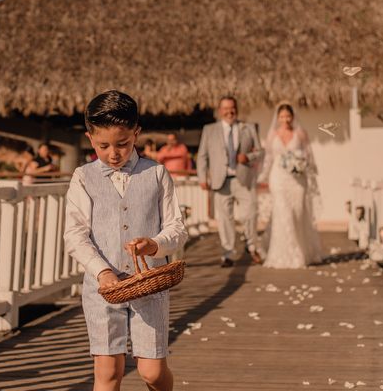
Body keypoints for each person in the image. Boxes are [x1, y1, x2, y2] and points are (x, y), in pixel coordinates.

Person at [64, 90, 187, 391]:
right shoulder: (82, 177)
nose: (113, 153)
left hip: (149, 287)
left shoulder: (157, 173)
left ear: (136, 132)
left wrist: (155, 244)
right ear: (90, 137)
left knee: (152, 373)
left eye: (122, 144)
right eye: (103, 146)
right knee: (107, 375)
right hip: (102, 290)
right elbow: (75, 234)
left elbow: (177, 227)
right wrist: (102, 271)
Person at [196, 96, 264, 267]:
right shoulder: (209, 130)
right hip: (221, 181)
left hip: (243, 179)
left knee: (250, 214)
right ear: (220, 111)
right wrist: (202, 178)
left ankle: (251, 246)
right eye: (225, 108)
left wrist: (247, 157)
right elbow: (202, 156)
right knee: (225, 219)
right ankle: (228, 254)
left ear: (237, 109)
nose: (229, 111)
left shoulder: (248, 128)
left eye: (232, 107)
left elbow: (261, 152)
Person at [259, 102, 323, 268]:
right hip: (278, 179)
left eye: (288, 116)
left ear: (293, 117)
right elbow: (268, 159)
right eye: (282, 117)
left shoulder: (300, 134)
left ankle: (300, 253)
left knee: (298, 214)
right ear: (278, 118)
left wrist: (302, 167)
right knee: (283, 213)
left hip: (297, 180)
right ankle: (282, 254)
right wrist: (263, 177)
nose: (285, 119)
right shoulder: (272, 135)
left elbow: (309, 157)